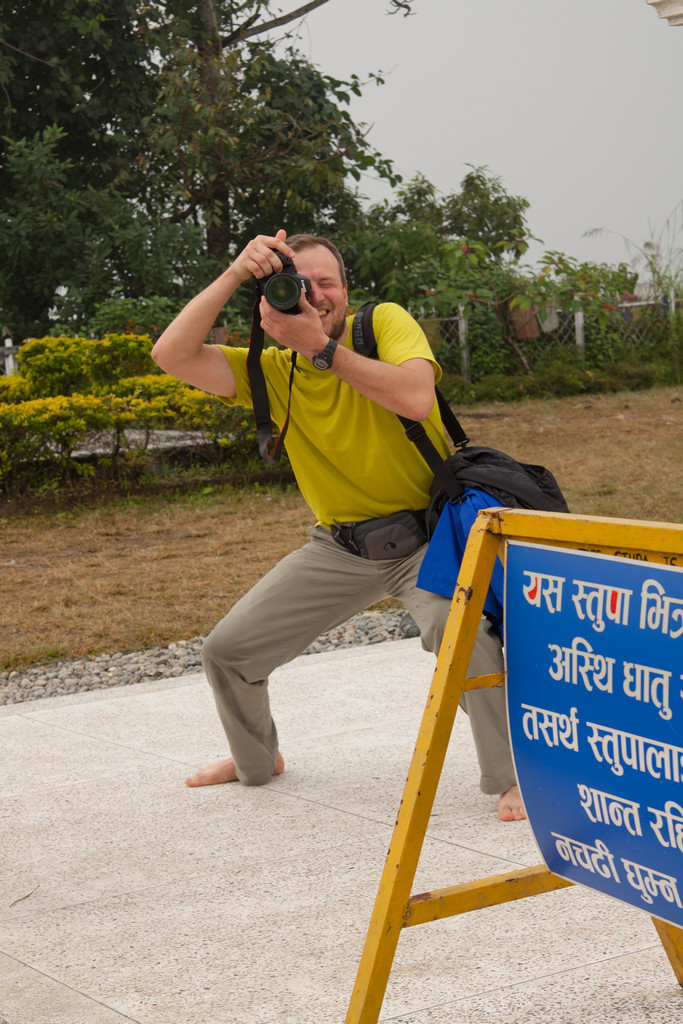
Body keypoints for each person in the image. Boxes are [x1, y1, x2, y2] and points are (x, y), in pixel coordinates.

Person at [151, 229, 525, 821]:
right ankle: (256, 761)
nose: (315, 294)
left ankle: (511, 778)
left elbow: (417, 397)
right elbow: (170, 355)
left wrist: (322, 349)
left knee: (464, 634)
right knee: (227, 651)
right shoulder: (271, 371)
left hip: (429, 538)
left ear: (346, 289)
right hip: (340, 548)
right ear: (270, 295)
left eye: (326, 282)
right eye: (297, 283)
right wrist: (231, 274)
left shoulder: (383, 324)